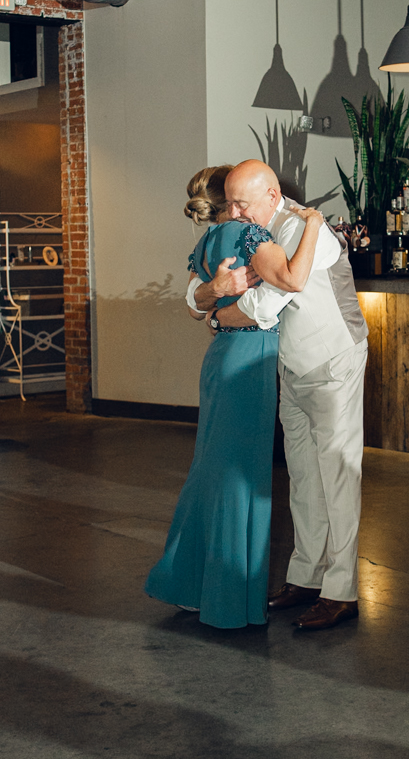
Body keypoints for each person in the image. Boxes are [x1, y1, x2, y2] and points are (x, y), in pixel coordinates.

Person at [187, 160, 368, 631]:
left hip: (333, 362)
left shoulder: (309, 230)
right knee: (305, 475)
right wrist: (211, 300)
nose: (235, 212)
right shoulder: (261, 229)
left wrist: (220, 317)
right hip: (293, 365)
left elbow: (271, 300)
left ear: (271, 195)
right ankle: (305, 578)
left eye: (242, 203)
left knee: (338, 475)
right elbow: (209, 289)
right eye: (229, 203)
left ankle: (341, 590)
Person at [145, 165, 324, 628]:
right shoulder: (247, 234)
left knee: (211, 470)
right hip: (248, 363)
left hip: (223, 358)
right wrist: (313, 225)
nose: (247, 207)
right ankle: (224, 596)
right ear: (233, 202)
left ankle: (190, 584)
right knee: (238, 479)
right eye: (239, 199)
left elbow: (192, 304)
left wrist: (216, 309)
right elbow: (289, 280)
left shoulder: (207, 242)